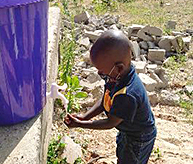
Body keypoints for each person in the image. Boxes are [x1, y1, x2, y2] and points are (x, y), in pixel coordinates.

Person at [64, 30, 157, 164]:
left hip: (139, 137)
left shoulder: (127, 94)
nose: (101, 75)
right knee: (123, 154)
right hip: (127, 129)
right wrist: (85, 116)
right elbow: (105, 100)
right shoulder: (116, 77)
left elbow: (110, 123)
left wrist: (81, 124)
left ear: (119, 68)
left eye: (103, 73)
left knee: (132, 160)